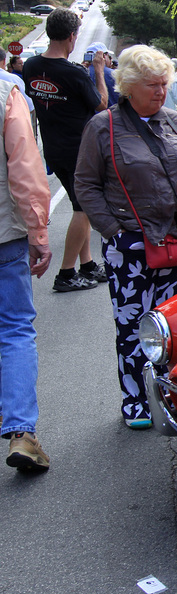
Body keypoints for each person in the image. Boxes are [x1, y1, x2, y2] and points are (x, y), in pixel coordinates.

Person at [75, 45, 177, 429]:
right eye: (151, 85)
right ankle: (137, 401)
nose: (160, 91)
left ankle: (173, 396)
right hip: (129, 244)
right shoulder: (103, 126)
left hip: (175, 240)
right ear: (128, 86)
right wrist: (112, 231)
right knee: (133, 328)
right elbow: (86, 184)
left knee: (174, 325)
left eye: (164, 84)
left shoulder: (175, 121)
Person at [23, 7, 108, 293]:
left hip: (54, 147)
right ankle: (66, 272)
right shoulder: (74, 73)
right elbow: (101, 105)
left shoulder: (31, 66)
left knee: (76, 203)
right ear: (72, 37)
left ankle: (87, 264)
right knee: (83, 208)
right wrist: (97, 70)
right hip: (78, 149)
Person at [1, 80, 52, 471]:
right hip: (3, 235)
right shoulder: (5, 94)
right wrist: (38, 231)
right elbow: (24, 166)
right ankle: (22, 433)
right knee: (15, 328)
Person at [86, 42, 119, 108]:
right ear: (103, 56)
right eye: (108, 56)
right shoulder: (114, 75)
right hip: (112, 116)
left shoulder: (83, 73)